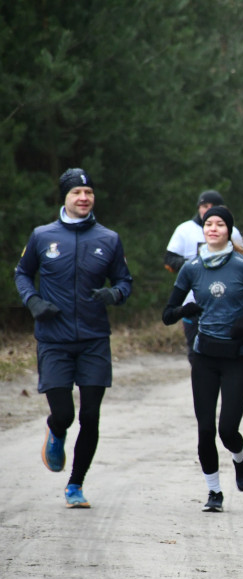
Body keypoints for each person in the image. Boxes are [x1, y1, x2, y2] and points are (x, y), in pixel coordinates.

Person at [15, 168, 133, 509]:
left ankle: (75, 485)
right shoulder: (41, 236)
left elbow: (125, 281)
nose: (84, 197)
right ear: (65, 198)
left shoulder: (108, 239)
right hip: (54, 339)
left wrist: (115, 295)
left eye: (88, 192)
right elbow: (22, 273)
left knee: (91, 416)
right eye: (76, 192)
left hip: (95, 339)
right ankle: (56, 431)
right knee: (65, 414)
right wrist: (33, 301)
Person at [162, 206, 243, 512]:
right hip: (205, 356)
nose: (213, 228)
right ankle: (214, 493)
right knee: (205, 430)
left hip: (237, 355)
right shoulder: (191, 268)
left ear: (228, 230)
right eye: (208, 224)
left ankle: (240, 456)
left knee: (227, 430)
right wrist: (184, 311)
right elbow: (167, 315)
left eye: (219, 224)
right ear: (203, 230)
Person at [165, 190, 243, 355]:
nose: (208, 209)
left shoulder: (232, 232)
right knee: (195, 350)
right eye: (204, 205)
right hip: (192, 302)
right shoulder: (184, 230)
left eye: (213, 206)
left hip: (225, 301)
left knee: (224, 349)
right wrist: (192, 267)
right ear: (198, 207)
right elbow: (169, 259)